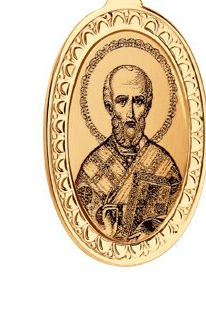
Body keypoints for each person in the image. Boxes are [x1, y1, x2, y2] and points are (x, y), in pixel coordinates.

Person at [75, 65, 181, 242]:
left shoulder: (165, 166)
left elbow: (173, 222)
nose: (130, 113)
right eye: (122, 101)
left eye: (138, 101)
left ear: (147, 106)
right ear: (110, 107)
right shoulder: (91, 169)